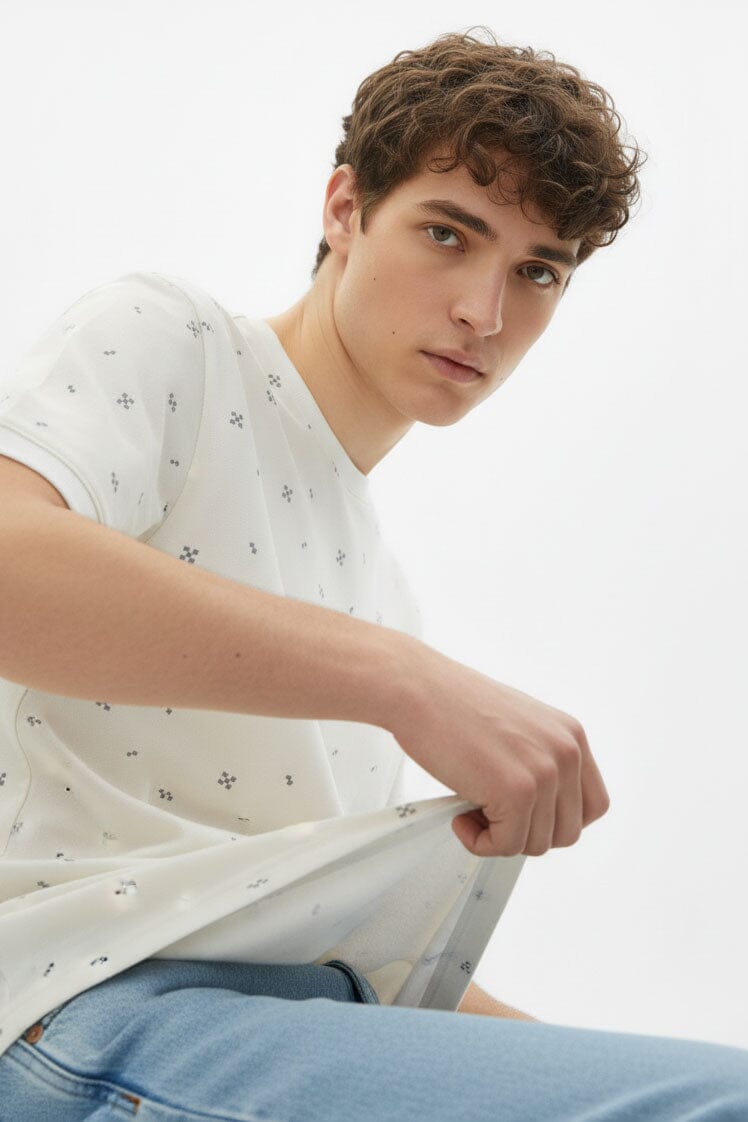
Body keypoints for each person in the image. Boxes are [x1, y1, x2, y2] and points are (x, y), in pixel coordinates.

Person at [0, 24, 746, 1122]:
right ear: (345, 208)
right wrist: (405, 681)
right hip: (85, 1005)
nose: (484, 313)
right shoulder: (175, 342)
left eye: (537, 272)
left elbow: (339, 955)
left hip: (283, 1022)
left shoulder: (379, 585)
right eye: (448, 234)